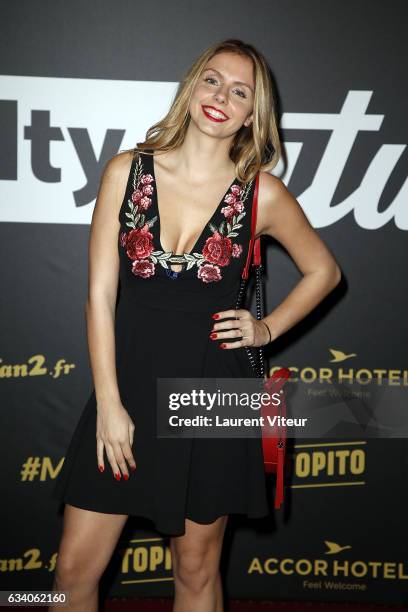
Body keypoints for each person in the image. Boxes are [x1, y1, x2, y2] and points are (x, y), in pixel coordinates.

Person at [50, 38, 341, 612]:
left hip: (213, 394)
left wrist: (265, 329)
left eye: (240, 92)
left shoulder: (263, 194)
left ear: (253, 114)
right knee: (70, 573)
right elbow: (99, 294)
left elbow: (324, 271)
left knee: (196, 570)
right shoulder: (124, 171)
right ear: (191, 88)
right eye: (212, 81)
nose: (221, 97)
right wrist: (109, 403)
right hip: (126, 388)